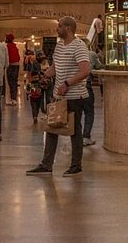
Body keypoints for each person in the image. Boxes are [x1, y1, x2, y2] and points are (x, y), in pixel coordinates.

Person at [26, 16, 90, 177]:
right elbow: (55, 67)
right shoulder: (59, 46)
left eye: (60, 26)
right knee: (51, 128)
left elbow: (85, 71)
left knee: (74, 131)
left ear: (68, 28)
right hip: (58, 96)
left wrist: (67, 83)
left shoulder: (79, 46)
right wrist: (45, 76)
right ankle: (46, 164)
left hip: (75, 96)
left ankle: (76, 165)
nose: (57, 28)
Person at [5, 33, 21, 104]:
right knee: (14, 82)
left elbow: (6, 56)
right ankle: (14, 98)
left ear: (8, 39)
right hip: (16, 66)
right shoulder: (15, 47)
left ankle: (13, 99)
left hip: (11, 65)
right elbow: (18, 57)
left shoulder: (7, 46)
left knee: (11, 82)